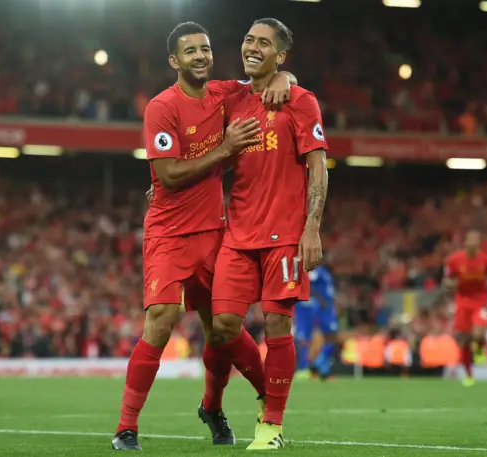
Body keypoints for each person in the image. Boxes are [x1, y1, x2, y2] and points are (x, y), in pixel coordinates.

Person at [112, 22, 296, 451]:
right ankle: (126, 427)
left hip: (215, 232)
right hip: (169, 234)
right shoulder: (162, 107)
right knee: (160, 321)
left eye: (205, 49)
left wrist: (287, 77)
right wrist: (226, 150)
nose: (199, 56)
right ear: (174, 61)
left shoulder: (225, 93)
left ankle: (216, 407)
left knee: (223, 332)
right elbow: (169, 175)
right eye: (189, 51)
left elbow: (270, 75)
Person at [210, 18, 328, 450]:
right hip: (237, 233)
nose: (252, 47)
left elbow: (318, 166)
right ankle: (267, 390)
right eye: (248, 39)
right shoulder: (231, 98)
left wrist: (312, 227)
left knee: (278, 324)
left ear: (281, 55)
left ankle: (272, 424)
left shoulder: (300, 100)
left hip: (285, 235)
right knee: (222, 326)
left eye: (264, 43)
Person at [443, 230, 487, 387]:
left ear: (479, 244)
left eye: (476, 241)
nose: (473, 244)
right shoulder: (454, 260)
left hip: (480, 301)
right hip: (462, 301)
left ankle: (480, 350)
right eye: (470, 241)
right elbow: (447, 280)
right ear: (466, 243)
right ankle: (468, 374)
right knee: (465, 339)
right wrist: (449, 286)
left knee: (478, 332)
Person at [294, 264, 338, 380]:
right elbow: (305, 283)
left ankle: (321, 367)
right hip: (314, 307)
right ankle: (304, 369)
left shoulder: (325, 273)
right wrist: (320, 299)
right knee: (304, 339)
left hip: (326, 308)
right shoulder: (314, 271)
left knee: (330, 336)